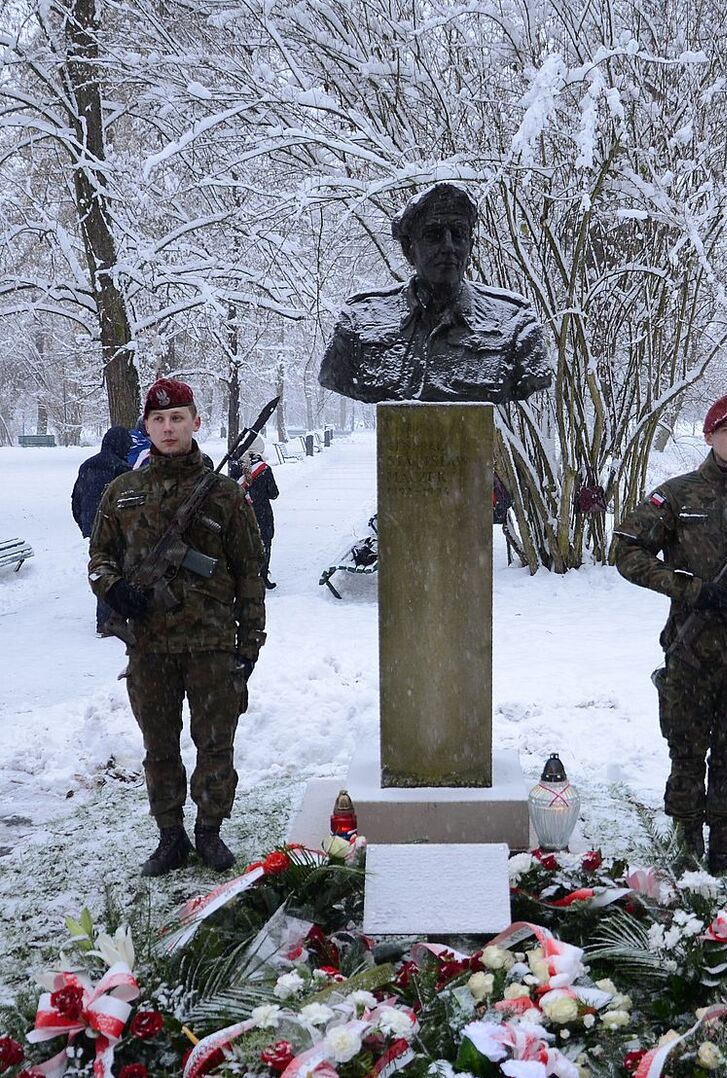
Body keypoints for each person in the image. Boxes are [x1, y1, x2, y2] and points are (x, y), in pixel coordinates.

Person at [612, 392, 727, 890]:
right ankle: (686, 847)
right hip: (691, 652)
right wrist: (688, 588)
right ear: (710, 435)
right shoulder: (679, 495)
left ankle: (724, 854)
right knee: (687, 751)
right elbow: (627, 549)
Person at [88, 377, 266, 877]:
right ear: (146, 426)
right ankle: (171, 836)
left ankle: (210, 832)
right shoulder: (121, 493)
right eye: (159, 420)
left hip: (211, 643)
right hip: (149, 646)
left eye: (178, 418)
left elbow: (250, 573)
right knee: (159, 748)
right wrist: (113, 588)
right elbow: (99, 555)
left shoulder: (225, 496)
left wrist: (249, 645)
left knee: (215, 745)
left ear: (195, 423)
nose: (168, 428)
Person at [318, 182, 552, 404]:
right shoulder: (361, 318)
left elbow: (534, 377)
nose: (449, 246)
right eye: (434, 235)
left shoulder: (514, 320)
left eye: (458, 234)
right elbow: (336, 375)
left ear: (470, 245)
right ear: (410, 250)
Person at [71, 426, 133, 634]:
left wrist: (86, 524)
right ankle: (111, 619)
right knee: (118, 570)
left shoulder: (87, 465)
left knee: (101, 568)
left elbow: (76, 499)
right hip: (117, 528)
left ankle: (105, 619)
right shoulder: (122, 469)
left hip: (93, 526)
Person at [229, 435, 279, 588]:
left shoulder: (236, 466)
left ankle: (242, 576)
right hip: (262, 512)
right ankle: (262, 576)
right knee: (264, 542)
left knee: (243, 543)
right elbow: (274, 494)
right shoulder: (264, 469)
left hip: (242, 512)